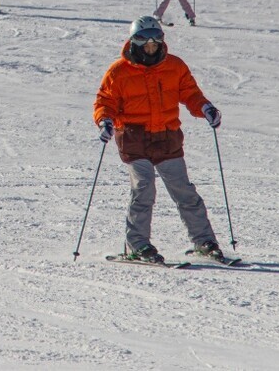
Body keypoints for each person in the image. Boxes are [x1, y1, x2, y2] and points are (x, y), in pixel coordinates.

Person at [93, 16, 225, 264]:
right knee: (143, 190)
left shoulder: (174, 66)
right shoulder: (118, 71)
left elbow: (190, 93)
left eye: (156, 42)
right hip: (134, 137)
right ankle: (138, 245)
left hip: (167, 138)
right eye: (145, 43)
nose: (151, 48)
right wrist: (105, 121)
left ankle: (204, 241)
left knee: (185, 191)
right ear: (135, 42)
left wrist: (205, 107)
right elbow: (105, 102)